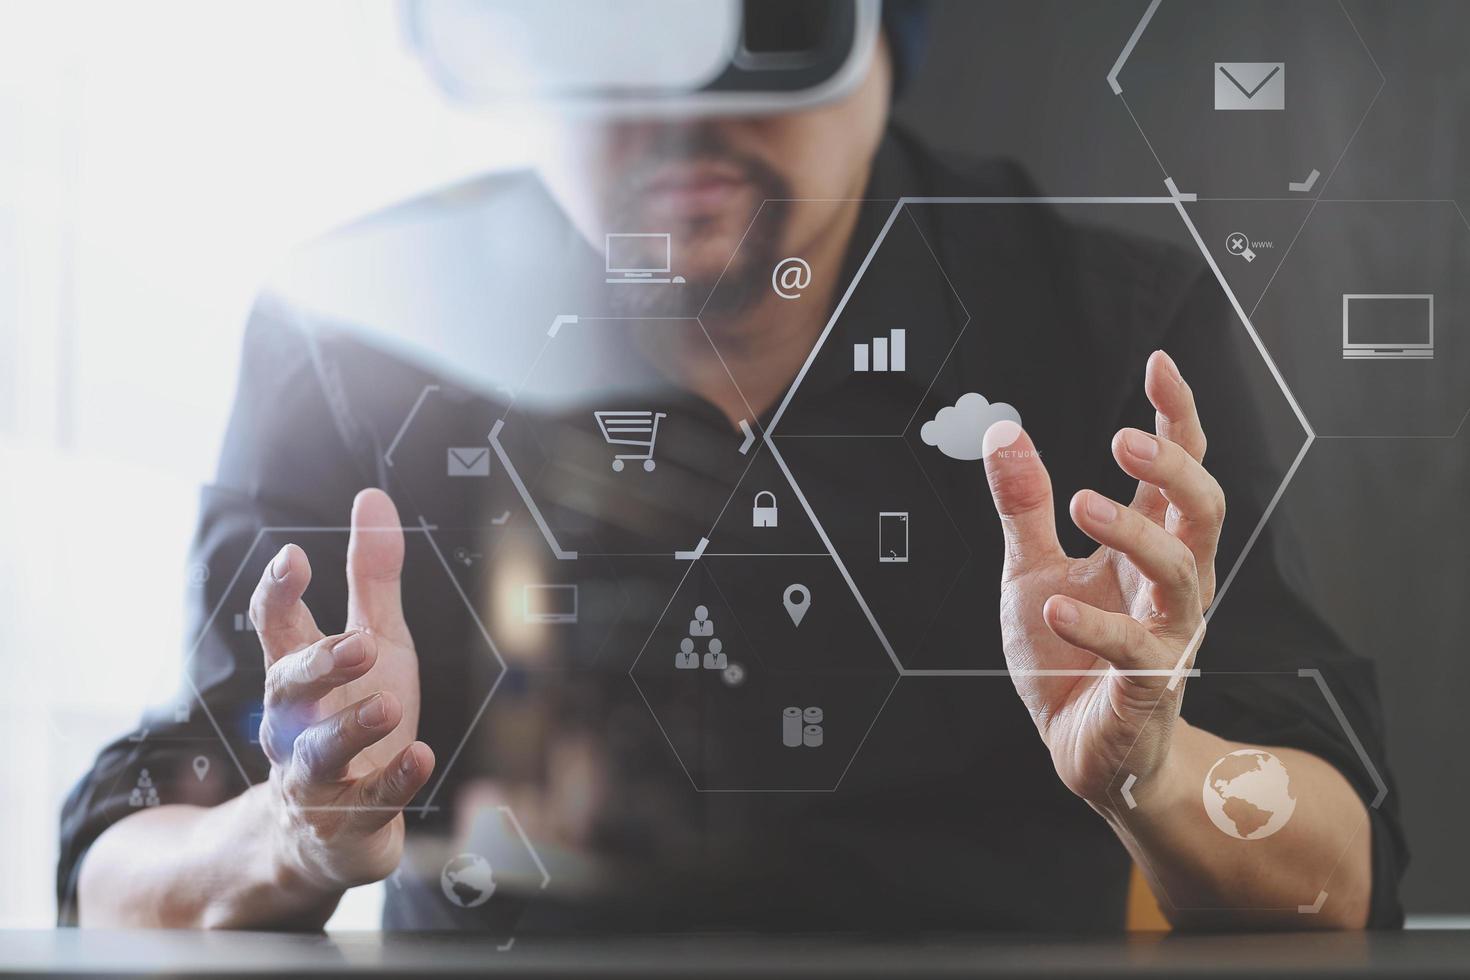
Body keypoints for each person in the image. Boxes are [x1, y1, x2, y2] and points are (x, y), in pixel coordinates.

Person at [60, 7, 1405, 933]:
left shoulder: (1100, 322)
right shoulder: (358, 327)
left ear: (882, 39)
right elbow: (118, 863)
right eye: (615, 33)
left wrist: (1152, 770)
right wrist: (290, 832)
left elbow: (1340, 877)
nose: (686, 114)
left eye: (767, 26)